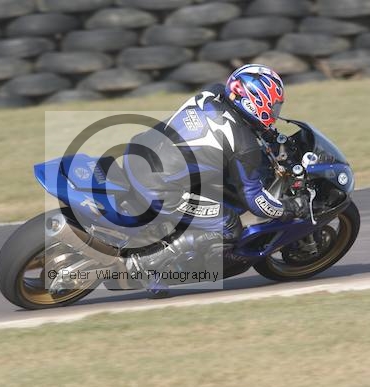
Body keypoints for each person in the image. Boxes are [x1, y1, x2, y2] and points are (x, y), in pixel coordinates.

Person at [122, 64, 309, 297]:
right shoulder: (244, 146)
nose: (274, 113)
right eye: (272, 107)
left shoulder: (214, 92)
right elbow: (255, 201)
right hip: (157, 189)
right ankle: (147, 262)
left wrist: (268, 134)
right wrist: (290, 208)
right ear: (254, 103)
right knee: (229, 225)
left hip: (139, 152)